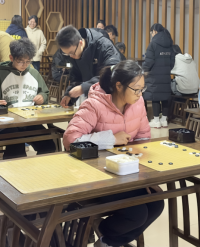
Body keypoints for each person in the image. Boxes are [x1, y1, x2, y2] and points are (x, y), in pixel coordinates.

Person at [63, 61, 162, 247]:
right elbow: (70, 140)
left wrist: (145, 174)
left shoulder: (138, 103)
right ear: (118, 85)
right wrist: (110, 138)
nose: (140, 94)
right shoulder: (94, 104)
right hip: (98, 176)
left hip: (126, 174)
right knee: (136, 214)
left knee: (156, 204)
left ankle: (107, 241)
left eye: (142, 89)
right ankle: (105, 233)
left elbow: (143, 138)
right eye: (136, 89)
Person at [0, 38, 55, 159]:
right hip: (6, 124)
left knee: (49, 146)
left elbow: (45, 93)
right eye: (20, 61)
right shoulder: (0, 75)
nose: (24, 65)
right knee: (17, 146)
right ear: (11, 58)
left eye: (28, 61)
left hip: (30, 121)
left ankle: (40, 169)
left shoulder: (34, 74)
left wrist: (42, 97)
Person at [56, 25, 121, 107]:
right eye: (67, 54)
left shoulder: (103, 44)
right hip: (94, 98)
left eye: (71, 53)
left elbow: (112, 72)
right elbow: (76, 77)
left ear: (80, 42)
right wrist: (69, 95)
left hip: (112, 97)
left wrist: (83, 87)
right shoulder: (75, 52)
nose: (71, 56)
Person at [143, 24, 175, 129]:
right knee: (165, 96)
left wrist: (144, 70)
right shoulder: (169, 43)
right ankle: (164, 120)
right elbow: (172, 61)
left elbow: (149, 61)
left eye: (151, 32)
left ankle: (156, 121)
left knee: (155, 97)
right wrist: (166, 69)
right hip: (166, 74)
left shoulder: (153, 44)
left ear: (154, 31)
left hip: (154, 75)